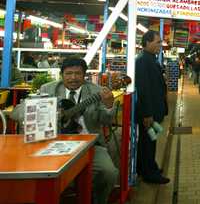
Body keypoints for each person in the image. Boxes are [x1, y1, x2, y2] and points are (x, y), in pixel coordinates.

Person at [11, 56, 119, 204]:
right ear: (62, 75)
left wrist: (108, 105)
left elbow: (106, 120)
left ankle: (97, 200)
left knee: (109, 172)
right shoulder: (48, 89)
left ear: (84, 75)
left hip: (90, 146)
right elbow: (17, 113)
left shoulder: (97, 91)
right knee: (34, 172)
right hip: (53, 144)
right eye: (68, 73)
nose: (73, 78)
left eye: (78, 73)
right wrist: (47, 111)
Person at [135, 30, 170, 184]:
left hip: (154, 110)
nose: (160, 45)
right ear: (147, 42)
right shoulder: (143, 61)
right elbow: (143, 89)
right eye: (157, 42)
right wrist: (147, 114)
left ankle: (148, 167)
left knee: (150, 141)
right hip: (149, 113)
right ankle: (150, 174)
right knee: (148, 143)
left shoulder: (150, 58)